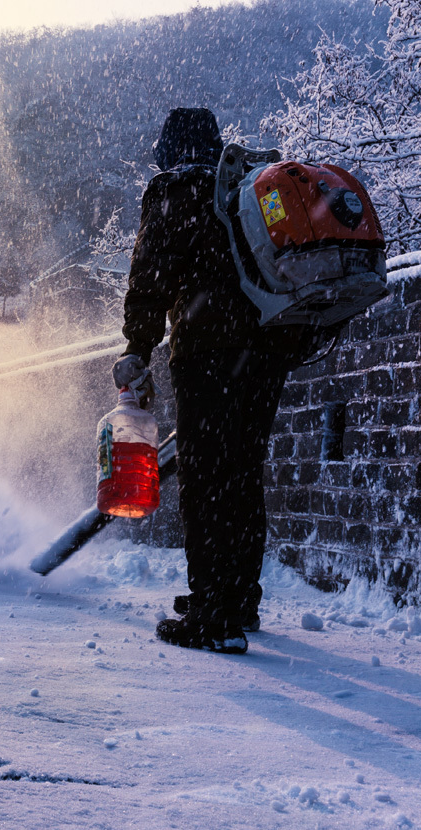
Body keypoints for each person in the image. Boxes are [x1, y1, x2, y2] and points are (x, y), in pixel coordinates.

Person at [113, 107, 312, 654]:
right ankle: (238, 597)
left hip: (208, 351)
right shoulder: (245, 187)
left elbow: (152, 275)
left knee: (205, 477)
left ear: (170, 148)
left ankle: (211, 614)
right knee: (243, 472)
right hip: (266, 350)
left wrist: (137, 347)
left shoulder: (176, 189)